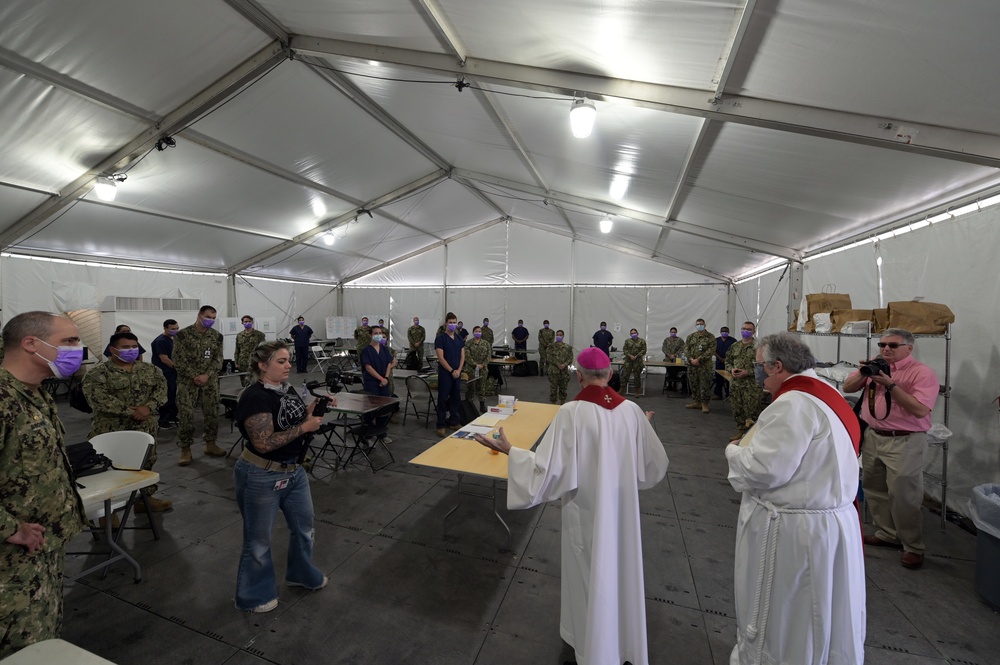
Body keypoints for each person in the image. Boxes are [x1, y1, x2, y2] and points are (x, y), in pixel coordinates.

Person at [473, 347, 668, 665]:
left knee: (591, 574)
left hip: (587, 511)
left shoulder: (572, 412)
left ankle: (595, 649)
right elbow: (651, 465)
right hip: (622, 513)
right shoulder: (630, 410)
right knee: (620, 570)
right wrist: (639, 427)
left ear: (579, 376)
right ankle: (624, 643)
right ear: (609, 374)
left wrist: (513, 452)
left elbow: (549, 471)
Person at [726, 333, 865, 664]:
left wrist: (733, 451)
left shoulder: (792, 404)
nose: (756, 371)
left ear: (777, 366)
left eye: (759, 366)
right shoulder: (826, 393)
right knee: (822, 610)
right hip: (828, 521)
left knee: (791, 610)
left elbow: (764, 469)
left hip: (796, 531)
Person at [0, 312, 88, 657]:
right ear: (31, 344)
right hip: (11, 563)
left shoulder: (34, 394)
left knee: (43, 641)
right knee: (22, 648)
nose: (77, 350)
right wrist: (10, 528)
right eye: (69, 342)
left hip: (42, 550)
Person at [232, 341, 331, 613]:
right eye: (281, 361)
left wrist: (312, 409)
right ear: (262, 365)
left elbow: (288, 418)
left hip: (294, 471)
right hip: (261, 475)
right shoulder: (255, 397)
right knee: (259, 541)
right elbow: (263, 443)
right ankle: (253, 596)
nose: (289, 365)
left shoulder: (284, 389)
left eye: (288, 360)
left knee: (304, 529)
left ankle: (300, 573)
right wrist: (304, 428)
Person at [843, 328, 940, 569]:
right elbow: (848, 388)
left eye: (893, 346)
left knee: (903, 495)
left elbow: (920, 410)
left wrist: (891, 385)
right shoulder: (876, 365)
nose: (886, 349)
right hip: (875, 436)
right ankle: (887, 533)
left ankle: (912, 546)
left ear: (909, 348)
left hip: (905, 440)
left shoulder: (922, 373)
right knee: (874, 487)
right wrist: (866, 373)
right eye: (882, 344)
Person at [83, 331, 170, 512]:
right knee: (109, 466)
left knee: (146, 462)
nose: (131, 350)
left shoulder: (151, 370)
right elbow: (98, 398)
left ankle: (144, 499)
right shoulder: (98, 374)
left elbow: (161, 391)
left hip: (145, 426)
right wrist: (130, 412)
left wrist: (148, 407)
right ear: (113, 349)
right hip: (111, 427)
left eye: (134, 347)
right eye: (125, 347)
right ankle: (108, 510)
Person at [174, 305, 226, 465]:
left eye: (213, 318)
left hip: (209, 383)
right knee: (186, 415)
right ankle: (185, 449)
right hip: (187, 383)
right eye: (208, 317)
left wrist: (206, 375)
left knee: (211, 413)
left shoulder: (217, 337)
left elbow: (218, 360)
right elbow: (177, 359)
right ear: (199, 315)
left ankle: (210, 444)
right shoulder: (183, 335)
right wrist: (194, 376)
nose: (210, 320)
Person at [725, 321, 763, 441]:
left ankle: (752, 437)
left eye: (748, 329)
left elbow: (763, 365)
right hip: (736, 384)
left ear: (754, 331)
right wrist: (732, 370)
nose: (745, 331)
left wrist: (748, 372)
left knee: (751, 411)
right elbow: (728, 361)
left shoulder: (759, 347)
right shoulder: (735, 346)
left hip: (752, 385)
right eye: (743, 328)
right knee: (738, 409)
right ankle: (741, 433)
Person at [434, 312, 465, 437]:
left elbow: (463, 356)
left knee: (455, 398)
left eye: (454, 322)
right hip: (446, 374)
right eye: (450, 322)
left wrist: (458, 370)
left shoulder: (459, 338)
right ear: (446, 323)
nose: (452, 325)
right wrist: (452, 371)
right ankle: (441, 425)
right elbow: (441, 358)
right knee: (442, 399)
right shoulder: (441, 338)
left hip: (457, 373)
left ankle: (454, 422)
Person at [151, 319, 180, 429]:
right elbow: (164, 359)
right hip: (165, 372)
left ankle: (172, 415)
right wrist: (177, 368)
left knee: (173, 394)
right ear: (165, 328)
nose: (176, 331)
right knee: (166, 395)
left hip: (172, 372)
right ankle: (164, 419)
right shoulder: (161, 341)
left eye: (177, 328)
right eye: (173, 329)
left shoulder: (172, 339)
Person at [684, 318, 715, 413]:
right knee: (693, 384)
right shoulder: (691, 337)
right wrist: (691, 359)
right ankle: (696, 401)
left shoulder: (710, 337)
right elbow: (686, 349)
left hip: (704, 366)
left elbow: (711, 350)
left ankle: (704, 404)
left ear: (705, 325)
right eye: (697, 324)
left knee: (705, 384)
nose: (699, 326)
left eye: (701, 324)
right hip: (692, 365)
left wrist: (698, 359)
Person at [464, 325, 491, 413]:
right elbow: (467, 356)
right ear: (473, 332)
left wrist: (483, 365)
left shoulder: (486, 343)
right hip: (471, 369)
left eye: (479, 331)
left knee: (482, 387)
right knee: (470, 387)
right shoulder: (468, 343)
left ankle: (482, 405)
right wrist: (475, 364)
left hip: (483, 369)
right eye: (476, 331)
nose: (478, 333)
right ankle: (469, 406)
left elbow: (488, 355)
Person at [361, 326, 393, 397]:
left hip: (384, 382)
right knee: (373, 403)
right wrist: (381, 379)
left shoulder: (384, 349)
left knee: (385, 403)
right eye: (375, 333)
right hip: (372, 382)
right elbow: (368, 368)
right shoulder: (366, 351)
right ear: (370, 335)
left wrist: (386, 378)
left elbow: (388, 364)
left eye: (380, 333)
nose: (378, 335)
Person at [235, 315, 266, 387]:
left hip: (254, 362)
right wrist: (236, 362)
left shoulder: (259, 335)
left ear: (252, 322)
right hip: (242, 363)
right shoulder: (239, 335)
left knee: (255, 383)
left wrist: (263, 361)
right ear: (242, 323)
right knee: (244, 384)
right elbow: (237, 349)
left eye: (249, 321)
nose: (247, 323)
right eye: (245, 321)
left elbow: (263, 348)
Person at [546, 330, 573, 404]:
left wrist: (565, 364)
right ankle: (553, 406)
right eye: (557, 335)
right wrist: (557, 364)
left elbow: (570, 358)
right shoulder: (551, 346)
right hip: (553, 371)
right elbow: (548, 357)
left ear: (563, 336)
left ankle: (562, 404)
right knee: (553, 389)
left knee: (563, 389)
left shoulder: (567, 347)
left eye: (560, 335)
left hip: (564, 372)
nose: (559, 336)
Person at [621, 328, 647, 397]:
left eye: (634, 333)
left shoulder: (642, 341)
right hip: (628, 361)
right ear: (630, 334)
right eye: (632, 333)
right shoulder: (627, 341)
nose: (633, 334)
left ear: (637, 333)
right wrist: (630, 356)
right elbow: (625, 349)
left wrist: (637, 356)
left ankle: (636, 391)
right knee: (625, 375)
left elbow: (644, 350)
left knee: (637, 376)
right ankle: (622, 390)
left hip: (638, 361)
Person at [713, 326, 736, 400]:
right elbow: (713, 350)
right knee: (718, 379)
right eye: (723, 331)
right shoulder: (716, 340)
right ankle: (718, 394)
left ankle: (728, 395)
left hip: (729, 362)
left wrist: (727, 359)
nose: (724, 333)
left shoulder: (733, 341)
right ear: (720, 332)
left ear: (728, 332)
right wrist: (720, 358)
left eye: (726, 331)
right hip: (719, 362)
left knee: (729, 379)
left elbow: (735, 351)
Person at [661, 326, 686, 391]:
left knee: (676, 371)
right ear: (670, 332)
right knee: (669, 371)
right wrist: (669, 355)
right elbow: (664, 348)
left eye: (674, 332)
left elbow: (682, 348)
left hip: (677, 359)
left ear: (676, 332)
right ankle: (669, 385)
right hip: (668, 359)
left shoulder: (680, 340)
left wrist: (675, 355)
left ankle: (675, 385)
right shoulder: (667, 340)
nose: (673, 333)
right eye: (672, 332)